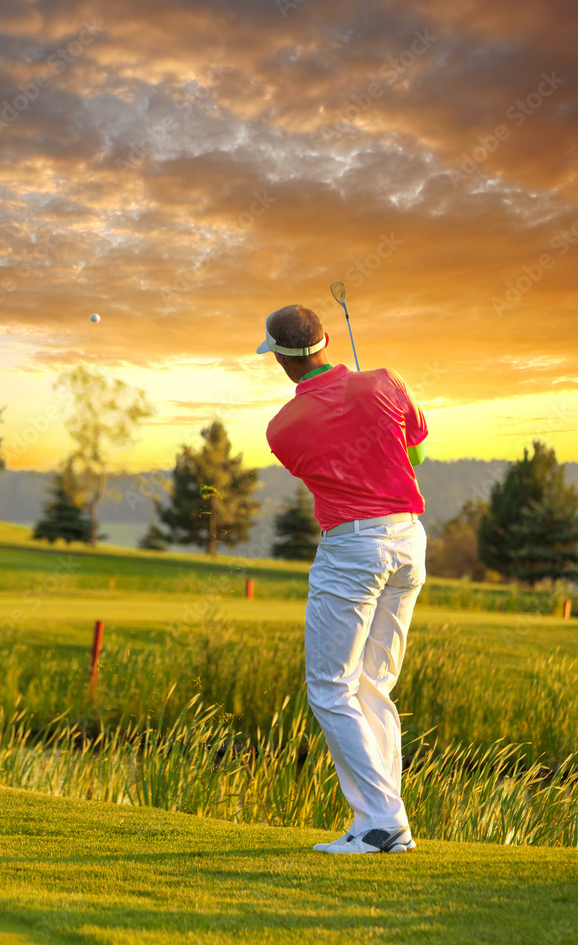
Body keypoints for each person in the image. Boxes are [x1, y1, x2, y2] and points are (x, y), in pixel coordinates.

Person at [257, 304, 428, 854]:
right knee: (371, 686)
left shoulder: (282, 429)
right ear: (328, 340)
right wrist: (376, 410)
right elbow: (417, 453)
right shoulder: (387, 380)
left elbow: (326, 466)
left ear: (280, 358)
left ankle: (382, 821)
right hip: (408, 542)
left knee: (331, 688)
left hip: (354, 550)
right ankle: (380, 821)